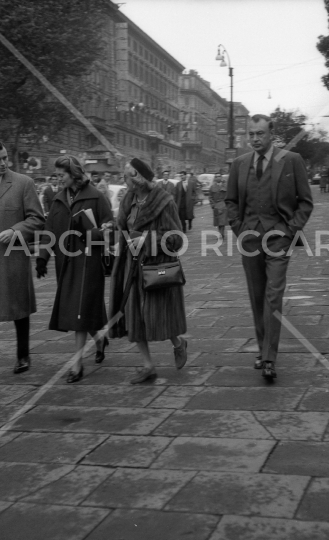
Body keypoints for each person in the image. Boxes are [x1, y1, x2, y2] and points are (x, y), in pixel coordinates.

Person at [226, 114, 313, 380]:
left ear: (270, 134)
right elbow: (230, 201)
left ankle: (269, 358)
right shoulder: (239, 164)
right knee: (257, 296)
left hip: (278, 239)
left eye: (260, 134)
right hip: (250, 239)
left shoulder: (291, 160)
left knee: (273, 295)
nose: (254, 139)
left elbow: (305, 202)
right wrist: (239, 228)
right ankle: (263, 347)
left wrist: (290, 231)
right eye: (251, 134)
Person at [108, 158, 187, 384]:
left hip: (155, 267)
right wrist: (114, 233)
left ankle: (179, 344)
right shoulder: (128, 200)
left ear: (139, 179)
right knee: (135, 316)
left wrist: (147, 240)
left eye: (127, 176)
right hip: (130, 267)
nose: (124, 180)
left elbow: (176, 238)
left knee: (158, 315)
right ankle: (148, 365)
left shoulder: (164, 202)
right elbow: (122, 228)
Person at [36, 155, 114, 383]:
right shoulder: (58, 200)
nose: (58, 179)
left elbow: (110, 230)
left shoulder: (96, 197)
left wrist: (89, 233)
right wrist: (42, 258)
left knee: (79, 312)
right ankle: (100, 340)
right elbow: (49, 232)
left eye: (62, 175)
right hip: (66, 265)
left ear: (74, 175)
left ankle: (77, 365)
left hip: (90, 264)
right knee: (80, 311)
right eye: (57, 176)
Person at [0, 141, 45, 373]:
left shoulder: (23, 183)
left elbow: (37, 219)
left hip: (13, 257)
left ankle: (23, 356)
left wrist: (15, 231)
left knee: (19, 308)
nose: (2, 163)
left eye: (5, 158)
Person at [209, 172, 228, 240]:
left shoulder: (225, 186)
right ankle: (220, 233)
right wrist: (213, 205)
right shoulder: (212, 187)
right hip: (216, 205)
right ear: (215, 178)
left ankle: (222, 233)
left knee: (222, 221)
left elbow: (228, 195)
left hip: (223, 205)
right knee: (218, 221)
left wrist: (227, 204)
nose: (218, 178)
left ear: (221, 177)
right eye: (216, 177)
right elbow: (210, 197)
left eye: (219, 176)